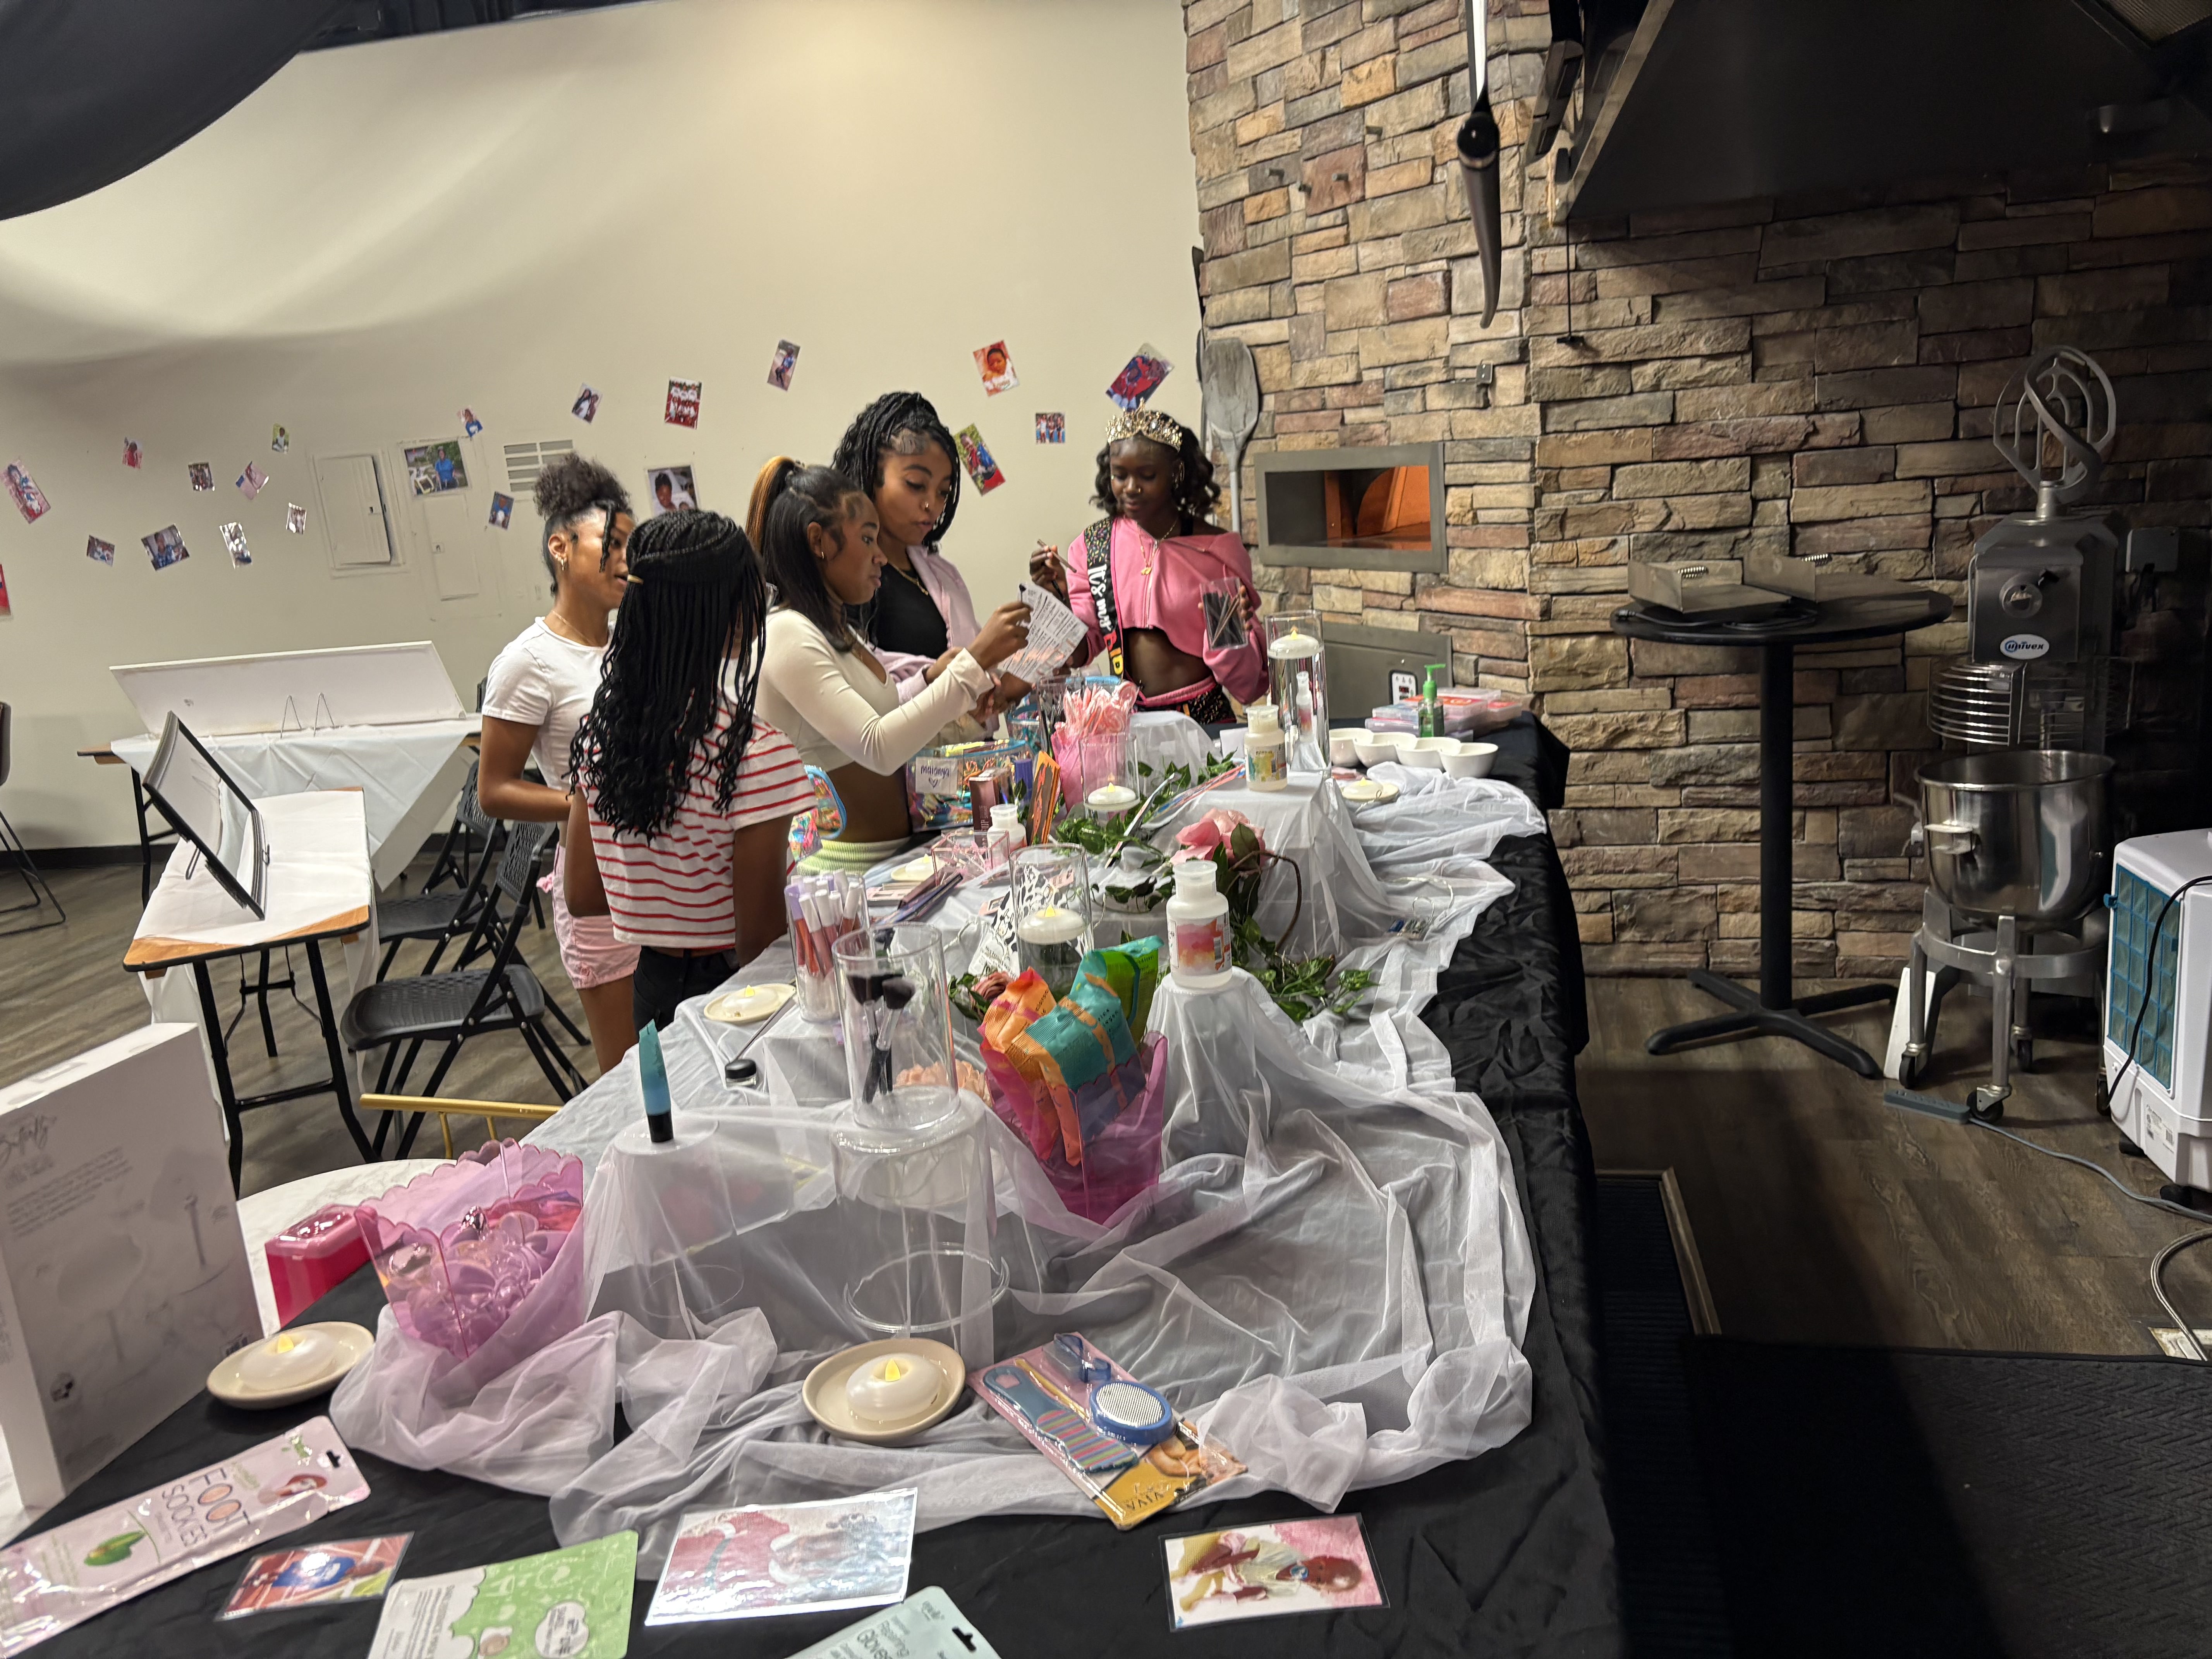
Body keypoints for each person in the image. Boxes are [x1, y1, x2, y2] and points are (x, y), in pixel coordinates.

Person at [562, 510, 813, 1034]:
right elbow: (759, 939)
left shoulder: (600, 735)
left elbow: (583, 892)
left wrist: (669, 895)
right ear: (728, 613)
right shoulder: (752, 752)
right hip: (740, 990)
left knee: (675, 1116)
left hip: (650, 982)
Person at [752, 461, 1030, 871]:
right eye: (867, 539)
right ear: (818, 541)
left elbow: (892, 716)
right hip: (844, 869)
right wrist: (972, 663)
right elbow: (877, 747)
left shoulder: (839, 632)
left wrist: (946, 684)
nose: (881, 556)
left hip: (895, 856)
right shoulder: (786, 633)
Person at [478, 454, 637, 1073]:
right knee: (630, 1072)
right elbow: (495, 789)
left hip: (655, 867)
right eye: (611, 545)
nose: (625, 561)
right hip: (594, 872)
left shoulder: (634, 640)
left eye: (630, 546)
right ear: (562, 548)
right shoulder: (529, 661)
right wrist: (581, 802)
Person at [1032, 407, 1263, 723]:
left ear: (1176, 473)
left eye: (1147, 475)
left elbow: (1247, 687)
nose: (1130, 487)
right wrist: (1057, 593)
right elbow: (1079, 651)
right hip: (1129, 725)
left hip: (1203, 723)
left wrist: (1231, 641)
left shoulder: (1213, 554)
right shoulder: (1096, 547)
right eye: (1120, 474)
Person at [829, 392, 983, 667]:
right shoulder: (845, 577)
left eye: (944, 492)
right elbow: (863, 692)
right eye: (915, 484)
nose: (932, 506)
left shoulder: (943, 576)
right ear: (870, 474)